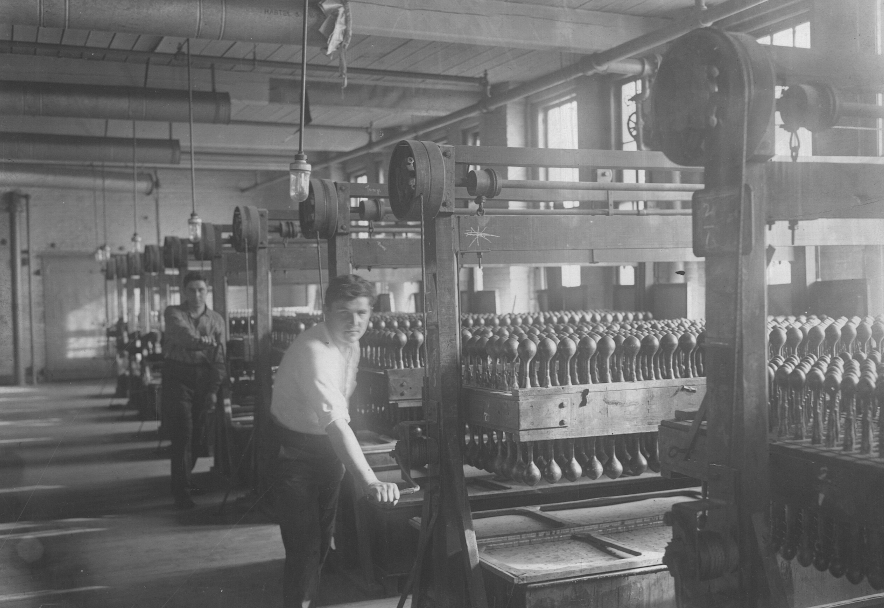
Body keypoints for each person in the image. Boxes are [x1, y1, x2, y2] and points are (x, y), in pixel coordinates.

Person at [268, 274, 400, 608]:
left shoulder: (351, 345)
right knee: (304, 549)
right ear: (325, 312)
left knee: (321, 544)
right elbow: (336, 422)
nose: (354, 322)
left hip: (326, 452)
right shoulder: (315, 350)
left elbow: (341, 410)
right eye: (344, 313)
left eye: (362, 313)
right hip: (293, 453)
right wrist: (369, 478)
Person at [162, 271, 226, 510]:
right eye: (192, 290)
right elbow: (184, 336)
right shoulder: (173, 313)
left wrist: (213, 389)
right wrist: (203, 342)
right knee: (183, 433)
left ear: (206, 291)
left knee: (199, 438)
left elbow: (220, 358)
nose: (197, 295)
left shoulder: (216, 320)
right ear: (184, 292)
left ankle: (181, 480)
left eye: (201, 290)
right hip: (177, 377)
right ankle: (182, 492)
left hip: (203, 379)